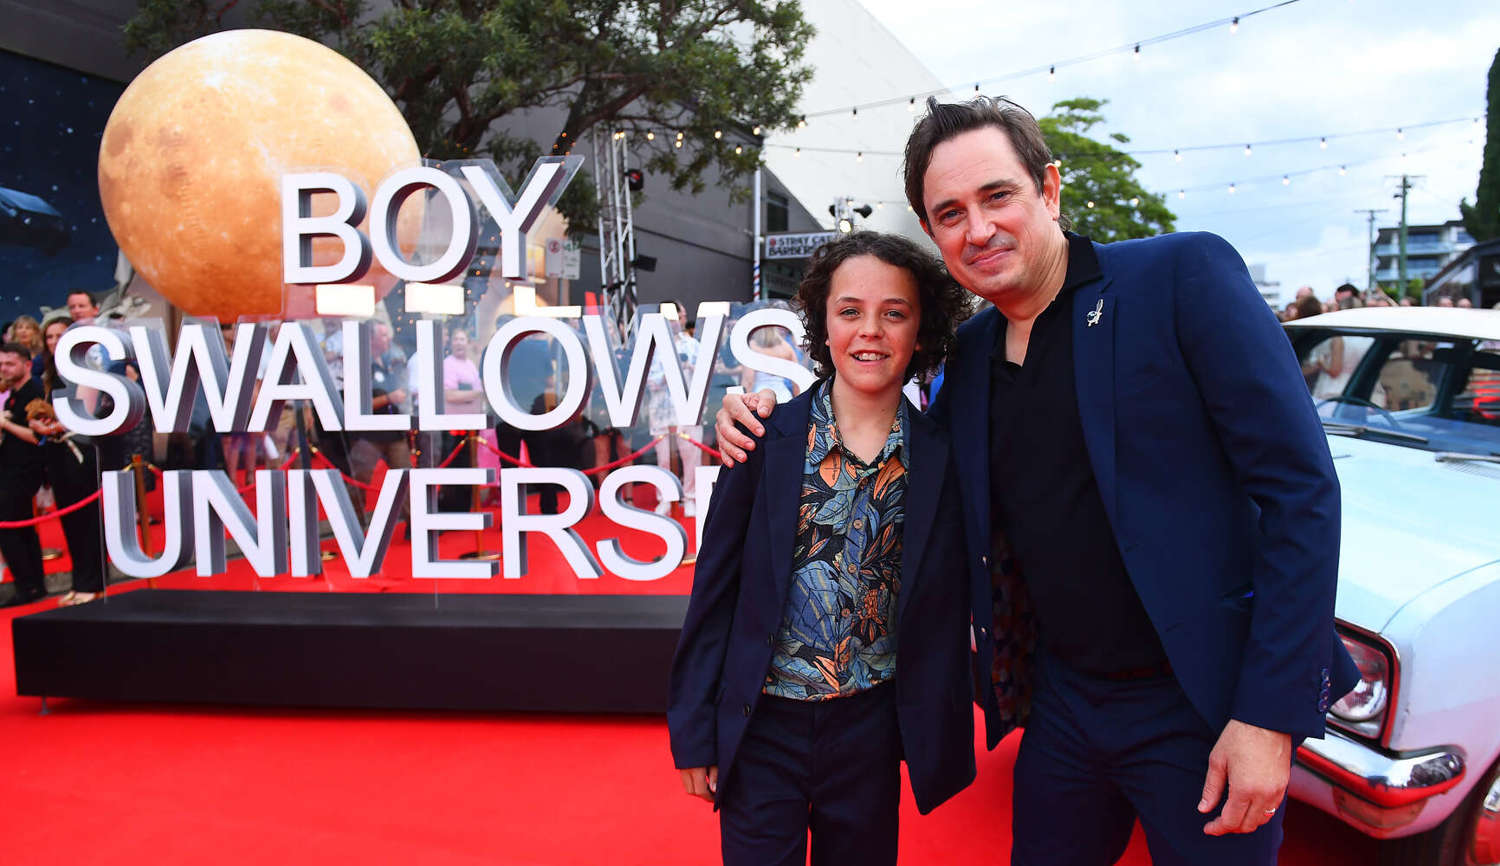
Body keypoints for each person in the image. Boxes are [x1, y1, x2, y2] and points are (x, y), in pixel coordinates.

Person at [717, 96, 1357, 866]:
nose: (977, 229)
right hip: (1064, 710)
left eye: (997, 196)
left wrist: (1269, 716)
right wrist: (759, 414)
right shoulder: (972, 356)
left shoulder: (1178, 280)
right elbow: (889, 447)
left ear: (1048, 189)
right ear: (932, 232)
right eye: (949, 213)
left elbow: (1301, 493)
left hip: (1205, 705)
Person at [670, 231, 975, 866]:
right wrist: (696, 732)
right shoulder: (762, 438)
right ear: (823, 326)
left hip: (871, 727)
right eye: (850, 311)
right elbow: (715, 590)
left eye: (894, 312)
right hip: (763, 727)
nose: (871, 330)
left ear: (922, 332)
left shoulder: (945, 458)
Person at [30, 353, 106, 605]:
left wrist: (50, 428)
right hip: (57, 451)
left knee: (86, 520)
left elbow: (83, 416)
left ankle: (93, 583)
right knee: (70, 522)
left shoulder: (87, 373)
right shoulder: (50, 376)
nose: (53, 342)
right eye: (49, 337)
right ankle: (79, 581)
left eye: (59, 336)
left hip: (81, 451)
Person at [347, 318, 412, 527]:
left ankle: (414, 524)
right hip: (369, 435)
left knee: (406, 481)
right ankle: (355, 527)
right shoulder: (359, 365)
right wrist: (388, 398)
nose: (388, 339)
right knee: (359, 482)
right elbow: (356, 403)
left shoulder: (390, 362)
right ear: (371, 338)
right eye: (383, 335)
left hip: (394, 432)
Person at [645, 302, 706, 516]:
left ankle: (690, 497)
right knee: (663, 456)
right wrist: (669, 373)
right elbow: (649, 381)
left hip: (689, 407)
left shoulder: (693, 345)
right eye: (672, 317)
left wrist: (690, 368)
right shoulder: (652, 347)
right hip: (662, 409)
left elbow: (706, 375)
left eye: (680, 315)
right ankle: (665, 498)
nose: (677, 320)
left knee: (691, 455)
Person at [0, 343, 49, 606]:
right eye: (1, 364)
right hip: (10, 469)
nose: (4, 369)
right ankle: (32, 585)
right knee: (22, 529)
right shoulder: (14, 395)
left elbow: (37, 437)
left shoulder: (35, 392)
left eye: (9, 364)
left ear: (27, 364)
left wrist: (5, 423)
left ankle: (26, 585)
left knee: (9, 529)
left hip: (24, 472)